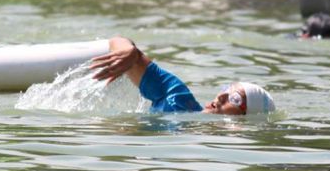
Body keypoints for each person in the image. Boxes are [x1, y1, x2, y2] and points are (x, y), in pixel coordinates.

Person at [91, 37, 275, 115]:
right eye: (226, 89)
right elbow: (118, 41)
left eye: (234, 98)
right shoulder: (178, 99)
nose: (220, 96)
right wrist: (130, 51)